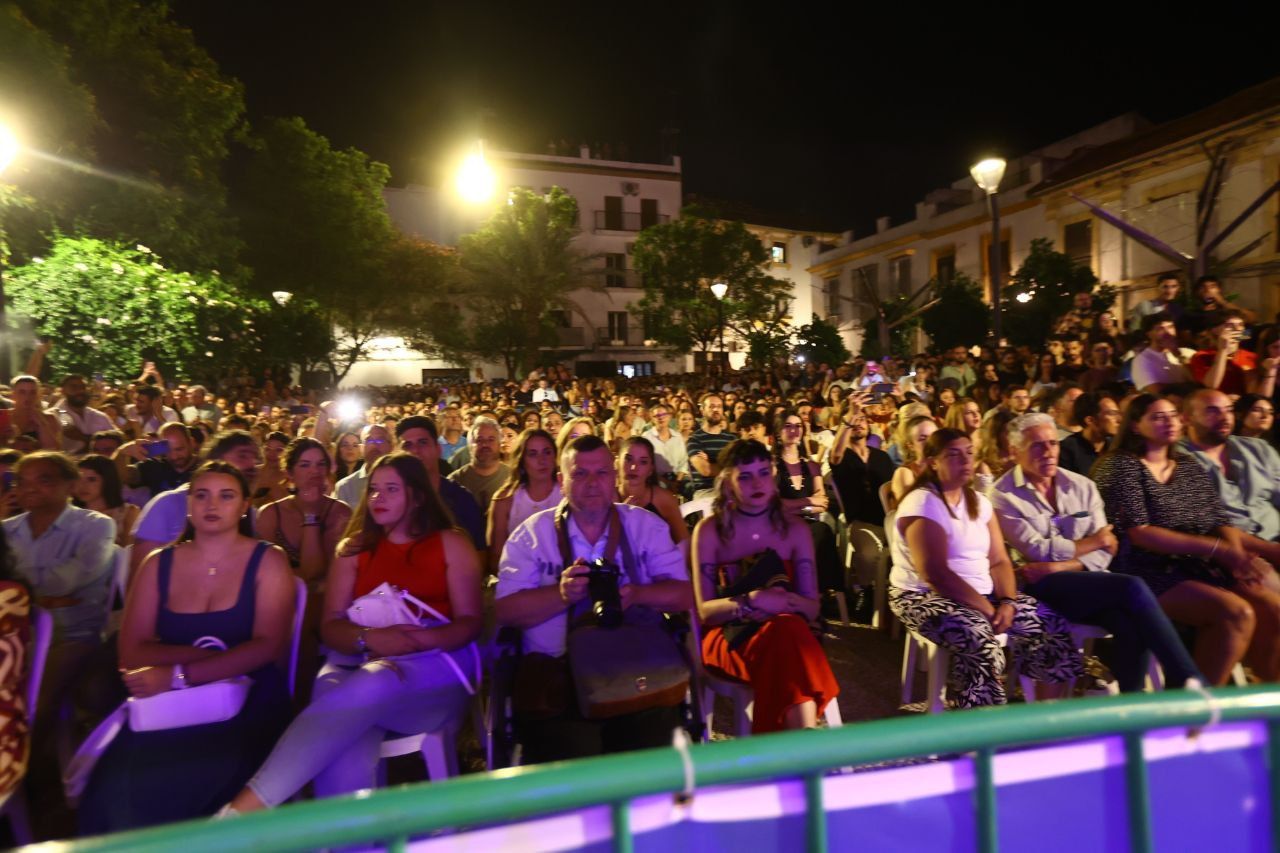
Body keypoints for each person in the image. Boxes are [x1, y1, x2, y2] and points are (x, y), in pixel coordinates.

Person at [223, 453, 482, 812]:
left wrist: (415, 640)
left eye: (391, 489)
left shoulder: (451, 543)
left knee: (377, 679)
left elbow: (470, 622)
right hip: (359, 657)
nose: (378, 498)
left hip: (433, 670)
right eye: (373, 490)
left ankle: (241, 811)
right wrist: (371, 639)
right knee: (341, 724)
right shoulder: (354, 549)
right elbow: (330, 627)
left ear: (418, 496)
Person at [78, 462, 295, 832]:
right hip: (165, 699)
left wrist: (179, 673)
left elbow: (266, 648)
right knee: (117, 781)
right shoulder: (158, 563)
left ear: (244, 506)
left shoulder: (268, 560)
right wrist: (217, 659)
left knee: (205, 770)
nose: (212, 505)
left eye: (226, 496)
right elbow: (131, 651)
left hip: (247, 698)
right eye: (201, 495)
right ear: (189, 504)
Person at [495, 434, 692, 763]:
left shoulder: (645, 526)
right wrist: (561, 594)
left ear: (614, 478)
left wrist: (637, 594)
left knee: (649, 763)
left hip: (637, 672)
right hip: (558, 681)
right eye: (579, 474)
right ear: (561, 480)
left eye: (601, 473)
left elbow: (685, 595)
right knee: (573, 766)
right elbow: (505, 611)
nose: (592, 483)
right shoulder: (532, 535)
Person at [992, 414, 1202, 692]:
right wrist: (1092, 542)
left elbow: (1106, 552)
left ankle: (1133, 709)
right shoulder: (1003, 495)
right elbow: (1036, 550)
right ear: (1015, 451)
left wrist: (1057, 566)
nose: (1048, 452)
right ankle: (1188, 679)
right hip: (1037, 588)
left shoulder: (1081, 486)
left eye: (1053, 443)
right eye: (1037, 445)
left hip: (1083, 582)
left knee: (1128, 622)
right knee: (1131, 586)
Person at [888, 428, 1083, 707]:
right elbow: (936, 574)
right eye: (953, 455)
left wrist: (1007, 601)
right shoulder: (923, 502)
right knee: (979, 638)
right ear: (933, 462)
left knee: (1050, 623)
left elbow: (1000, 560)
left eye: (969, 453)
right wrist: (989, 609)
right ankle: (981, 730)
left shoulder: (979, 502)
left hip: (984, 595)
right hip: (923, 596)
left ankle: (1046, 717)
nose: (965, 461)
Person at [1093, 394, 1280, 685]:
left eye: (1172, 415)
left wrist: (1237, 554)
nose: (1169, 422)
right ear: (1134, 425)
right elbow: (1140, 532)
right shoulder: (1120, 466)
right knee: (1235, 613)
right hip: (1143, 568)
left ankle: (1269, 699)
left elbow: (1218, 520)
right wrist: (1219, 550)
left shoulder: (1187, 465)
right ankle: (1197, 710)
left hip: (1196, 564)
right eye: (1157, 417)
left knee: (1272, 608)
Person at [691, 439, 839, 732]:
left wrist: (781, 603)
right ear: (728, 483)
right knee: (791, 641)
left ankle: (788, 752)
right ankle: (804, 745)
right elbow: (705, 613)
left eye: (763, 473)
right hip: (729, 637)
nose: (756, 483)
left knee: (787, 632)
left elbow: (812, 607)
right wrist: (752, 600)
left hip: (788, 629)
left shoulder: (795, 529)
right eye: (744, 476)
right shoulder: (709, 531)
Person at [4, 451, 116, 765]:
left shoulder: (97, 526)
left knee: (33, 699)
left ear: (70, 485)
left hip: (73, 633)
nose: (29, 488)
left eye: (43, 480)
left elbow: (68, 580)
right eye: (21, 481)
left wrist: (23, 592)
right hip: (13, 632)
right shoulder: (7, 530)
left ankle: (23, 776)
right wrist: (39, 598)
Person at [131, 431, 263, 583]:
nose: (253, 464)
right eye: (243, 456)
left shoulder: (249, 514)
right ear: (216, 461)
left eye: (257, 458)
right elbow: (139, 580)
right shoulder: (167, 504)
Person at [1178, 389, 1280, 562]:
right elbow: (1203, 524)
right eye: (1212, 410)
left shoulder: (1258, 448)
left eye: (1229, 410)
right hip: (1230, 553)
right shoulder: (1176, 460)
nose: (1225, 417)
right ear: (1187, 418)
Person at [395, 416, 486, 553]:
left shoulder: (462, 499)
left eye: (423, 442)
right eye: (407, 445)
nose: (415, 451)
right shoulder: (393, 499)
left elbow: (479, 554)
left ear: (438, 449)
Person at [488, 430, 562, 575]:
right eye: (533, 454)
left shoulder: (568, 493)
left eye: (547, 452)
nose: (542, 460)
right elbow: (496, 558)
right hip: (518, 578)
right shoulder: (504, 499)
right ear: (522, 460)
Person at [829, 409, 895, 529]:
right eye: (853, 420)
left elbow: (892, 490)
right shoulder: (841, 457)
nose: (857, 423)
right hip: (860, 524)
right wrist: (849, 417)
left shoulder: (882, 456)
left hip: (889, 520)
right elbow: (836, 453)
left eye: (861, 419)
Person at [617, 437, 687, 545]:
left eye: (643, 462)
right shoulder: (604, 499)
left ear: (650, 470)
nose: (634, 467)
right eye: (628, 459)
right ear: (617, 462)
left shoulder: (664, 500)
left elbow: (684, 543)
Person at [116, 421, 199, 500]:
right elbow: (118, 476)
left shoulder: (204, 469)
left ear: (191, 443)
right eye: (167, 451)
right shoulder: (154, 467)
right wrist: (121, 453)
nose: (174, 456)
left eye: (179, 449)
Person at [447, 417, 510, 514]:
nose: (485, 444)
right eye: (479, 440)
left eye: (491, 439)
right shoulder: (454, 482)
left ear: (499, 444)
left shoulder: (514, 478)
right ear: (470, 445)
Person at [74, 454, 139, 546]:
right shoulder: (69, 513)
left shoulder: (128, 513)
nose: (82, 485)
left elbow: (130, 554)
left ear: (108, 480)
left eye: (91, 479)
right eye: (78, 479)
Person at [1188, 310, 1257, 395]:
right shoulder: (1201, 356)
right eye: (1229, 325)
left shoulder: (1252, 357)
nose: (1237, 329)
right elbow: (1211, 386)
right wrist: (1223, 350)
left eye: (1241, 325)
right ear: (1214, 330)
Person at [1057, 392, 1120, 476]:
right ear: (1090, 420)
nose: (1119, 419)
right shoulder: (1067, 450)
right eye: (1112, 413)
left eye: (1118, 413)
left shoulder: (1116, 447)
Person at [333, 424, 393, 509]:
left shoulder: (403, 481)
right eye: (369, 441)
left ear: (391, 446)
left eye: (380, 440)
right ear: (361, 447)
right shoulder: (345, 487)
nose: (374, 445)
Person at [52, 375, 113, 455]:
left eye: (83, 387)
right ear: (63, 391)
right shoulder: (55, 414)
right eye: (73, 387)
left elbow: (116, 437)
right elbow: (70, 431)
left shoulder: (100, 416)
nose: (80, 391)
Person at [687, 394, 734, 498]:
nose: (716, 409)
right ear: (702, 410)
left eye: (719, 406)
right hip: (706, 491)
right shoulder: (694, 439)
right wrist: (729, 468)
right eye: (712, 406)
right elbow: (705, 470)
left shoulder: (731, 439)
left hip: (730, 488)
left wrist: (712, 462)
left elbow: (739, 465)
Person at [1130, 313, 1192, 392]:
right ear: (1149, 334)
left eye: (1170, 327)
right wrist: (1189, 386)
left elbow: (1198, 381)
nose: (1167, 332)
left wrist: (1177, 354)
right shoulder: (1142, 360)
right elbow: (1156, 391)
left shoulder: (1188, 352)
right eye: (1160, 329)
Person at [888, 415, 938, 509]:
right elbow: (910, 510)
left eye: (934, 436)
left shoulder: (943, 467)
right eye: (923, 439)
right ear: (911, 445)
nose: (930, 442)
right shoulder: (905, 472)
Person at [641, 402, 689, 485]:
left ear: (669, 417)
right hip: (655, 479)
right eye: (657, 416)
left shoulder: (677, 436)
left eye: (664, 415)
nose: (661, 418)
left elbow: (683, 461)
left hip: (677, 478)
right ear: (652, 419)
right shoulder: (646, 437)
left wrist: (678, 480)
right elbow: (645, 463)